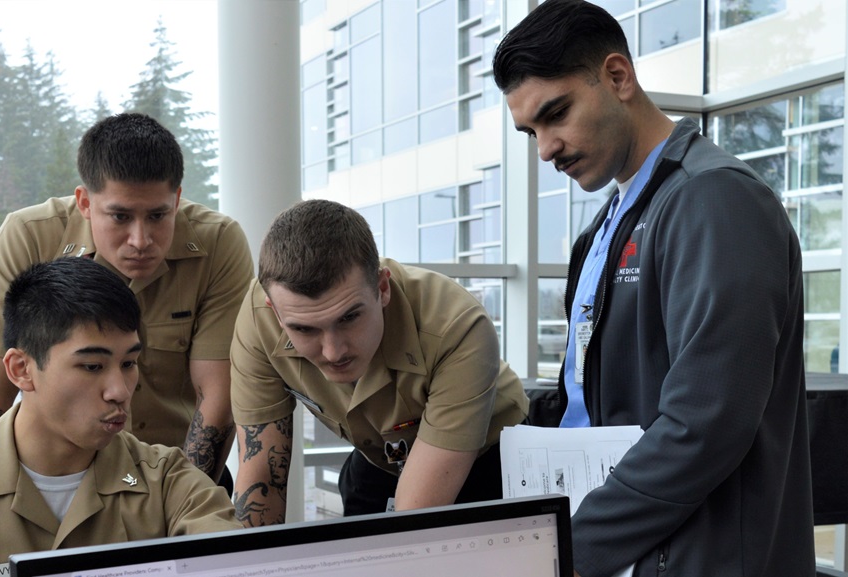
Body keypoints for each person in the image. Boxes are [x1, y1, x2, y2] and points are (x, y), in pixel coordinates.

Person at [493, 1, 815, 576]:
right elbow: (593, 404)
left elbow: (707, 422)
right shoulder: (603, 230)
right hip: (632, 549)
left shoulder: (715, 200)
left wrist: (568, 549)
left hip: (698, 557)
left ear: (618, 77)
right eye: (531, 131)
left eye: (557, 113)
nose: (546, 148)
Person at [0, 258, 242, 577]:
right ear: (21, 369)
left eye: (129, 363)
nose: (120, 390)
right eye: (92, 366)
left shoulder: (170, 483)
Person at [0, 113, 253, 491]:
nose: (140, 239)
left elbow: (217, 396)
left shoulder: (219, 243)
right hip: (52, 479)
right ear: (84, 202)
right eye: (120, 216)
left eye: (158, 215)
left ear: (177, 200)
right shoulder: (29, 237)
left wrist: (180, 503)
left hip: (180, 475)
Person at [229, 199, 529, 526]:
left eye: (350, 318)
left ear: (382, 287)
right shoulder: (260, 319)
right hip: (378, 458)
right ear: (275, 311)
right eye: (304, 329)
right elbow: (262, 479)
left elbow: (416, 516)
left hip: (490, 460)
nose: (333, 352)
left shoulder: (456, 325)